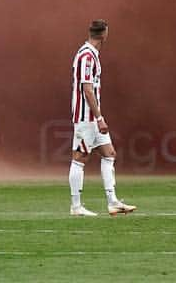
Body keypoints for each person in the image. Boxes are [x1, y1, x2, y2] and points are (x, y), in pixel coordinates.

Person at [69, 19, 136, 217]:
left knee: (109, 154)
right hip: (86, 117)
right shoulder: (86, 56)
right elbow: (87, 89)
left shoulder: (92, 55)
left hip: (94, 117)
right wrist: (99, 117)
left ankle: (113, 201)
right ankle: (76, 206)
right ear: (104, 34)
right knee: (80, 158)